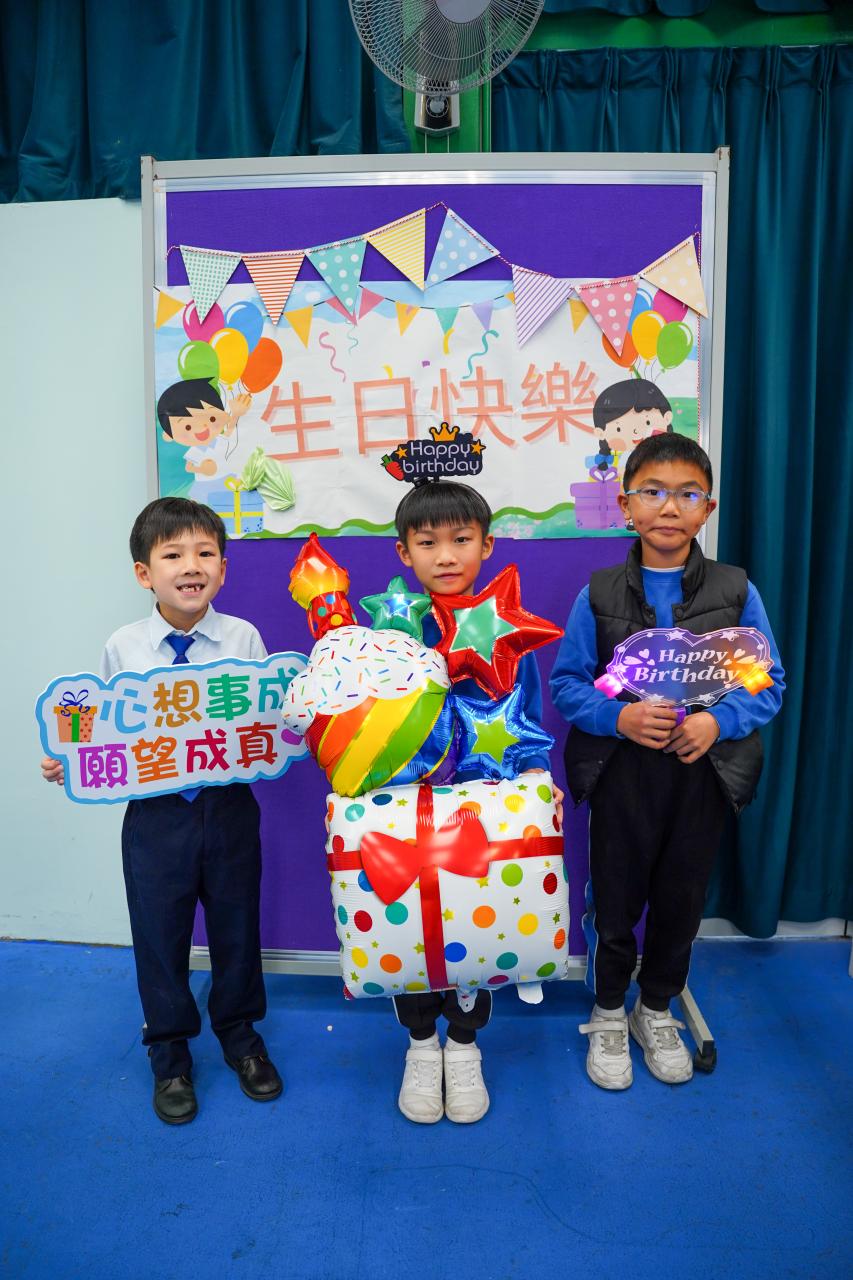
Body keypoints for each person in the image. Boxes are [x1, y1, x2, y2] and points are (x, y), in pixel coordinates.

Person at [550, 433, 783, 1090]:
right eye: (652, 492)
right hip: (622, 775)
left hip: (700, 776)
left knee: (681, 899)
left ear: (707, 509)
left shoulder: (735, 592)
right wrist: (618, 718)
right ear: (626, 506)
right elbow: (569, 684)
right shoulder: (598, 594)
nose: (669, 507)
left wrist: (717, 721)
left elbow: (766, 680)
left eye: (686, 494)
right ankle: (607, 1009)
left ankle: (654, 1008)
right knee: (615, 900)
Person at [41, 497, 282, 1124]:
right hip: (155, 816)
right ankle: (169, 1053)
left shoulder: (243, 638)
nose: (191, 565)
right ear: (144, 573)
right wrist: (71, 757)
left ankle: (241, 1037)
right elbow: (96, 722)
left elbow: (269, 717)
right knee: (159, 933)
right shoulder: (124, 646)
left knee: (237, 926)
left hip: (229, 808)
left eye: (205, 553)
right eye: (173, 554)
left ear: (223, 568)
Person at [392, 480, 563, 1124]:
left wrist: (537, 780)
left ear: (487, 545)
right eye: (427, 542)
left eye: (461, 539)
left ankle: (463, 1045)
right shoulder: (390, 630)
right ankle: (419, 1044)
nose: (446, 555)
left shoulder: (508, 631)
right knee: (409, 929)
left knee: (478, 926)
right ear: (404, 552)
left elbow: (530, 719)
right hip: (405, 811)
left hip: (486, 811)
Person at [157, 378, 251, 494]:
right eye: (188, 427)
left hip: (227, 482)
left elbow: (229, 432)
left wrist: (236, 414)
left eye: (212, 419)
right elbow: (188, 467)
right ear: (168, 435)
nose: (202, 428)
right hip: (206, 485)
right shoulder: (197, 449)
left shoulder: (218, 440)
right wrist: (202, 469)